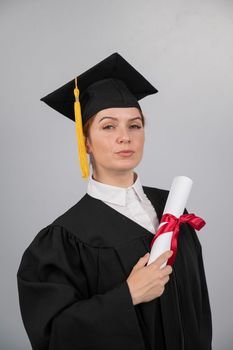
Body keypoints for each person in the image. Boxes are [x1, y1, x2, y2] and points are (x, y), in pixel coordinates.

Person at [17, 52, 212, 350]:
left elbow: (197, 312)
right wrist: (127, 296)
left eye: (135, 125)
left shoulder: (172, 209)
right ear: (86, 143)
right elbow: (53, 336)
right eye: (109, 126)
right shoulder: (63, 240)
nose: (125, 137)